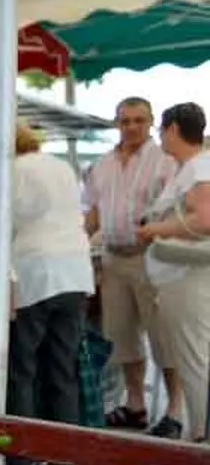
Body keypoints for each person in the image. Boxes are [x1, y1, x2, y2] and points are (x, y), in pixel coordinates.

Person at [85, 97, 183, 438]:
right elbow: (92, 214)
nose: (131, 127)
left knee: (163, 338)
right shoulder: (102, 165)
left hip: (152, 258)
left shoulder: (166, 163)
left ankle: (174, 411)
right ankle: (136, 405)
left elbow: (177, 212)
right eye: (125, 121)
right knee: (121, 336)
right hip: (112, 258)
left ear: (151, 122)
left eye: (139, 121)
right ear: (116, 124)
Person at [6, 124, 94, 465]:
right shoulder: (61, 167)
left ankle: (21, 458)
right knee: (63, 368)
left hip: (35, 272)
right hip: (75, 272)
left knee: (22, 368)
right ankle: (64, 458)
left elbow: (6, 222)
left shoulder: (11, 171)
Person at [138, 102, 210, 442]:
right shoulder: (189, 168)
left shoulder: (200, 168)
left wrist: (157, 230)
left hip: (189, 277)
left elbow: (205, 219)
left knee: (196, 358)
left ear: (173, 129)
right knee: (192, 357)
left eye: (160, 129)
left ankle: (201, 436)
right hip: (178, 278)